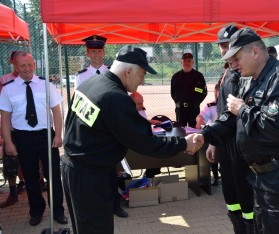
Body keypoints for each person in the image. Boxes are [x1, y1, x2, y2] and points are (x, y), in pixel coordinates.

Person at [62, 45, 200, 234]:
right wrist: (184, 143)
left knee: (83, 227)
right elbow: (146, 143)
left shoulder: (90, 84)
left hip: (74, 168)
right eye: (142, 75)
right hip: (91, 176)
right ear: (128, 71)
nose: (142, 81)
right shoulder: (115, 98)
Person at [195, 27, 279, 233]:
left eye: (237, 58)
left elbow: (276, 128)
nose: (232, 63)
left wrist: (242, 109)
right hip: (262, 176)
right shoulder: (250, 79)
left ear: (255, 52)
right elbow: (230, 120)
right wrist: (204, 136)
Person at [0, 51, 68, 226]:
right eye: (22, 65)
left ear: (34, 65)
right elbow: (5, 119)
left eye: (30, 64)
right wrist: (8, 142)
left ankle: (58, 211)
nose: (27, 68)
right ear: (15, 67)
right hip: (22, 137)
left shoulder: (47, 85)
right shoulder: (8, 88)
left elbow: (57, 112)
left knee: (52, 175)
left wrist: (58, 135)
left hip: (45, 134)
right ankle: (36, 211)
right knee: (30, 177)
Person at [203, 25, 254, 233]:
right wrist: (214, 142)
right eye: (222, 45)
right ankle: (238, 227)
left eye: (229, 45)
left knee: (244, 192)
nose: (225, 50)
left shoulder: (242, 74)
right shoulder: (227, 71)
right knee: (230, 192)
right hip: (224, 141)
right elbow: (222, 109)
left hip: (239, 143)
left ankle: (250, 227)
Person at [0, 50, 26, 209]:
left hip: (28, 126)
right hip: (11, 126)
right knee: (11, 160)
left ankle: (24, 183)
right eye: (17, 62)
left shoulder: (32, 78)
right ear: (12, 62)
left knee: (29, 159)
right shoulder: (4, 80)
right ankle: (12, 192)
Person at [130, 91, 162, 178]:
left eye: (142, 102)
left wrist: (151, 122)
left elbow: (143, 122)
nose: (142, 105)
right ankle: (150, 174)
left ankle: (150, 174)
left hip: (145, 141)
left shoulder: (141, 109)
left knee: (159, 149)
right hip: (135, 147)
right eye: (139, 103)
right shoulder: (127, 113)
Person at [171, 52, 207, 127]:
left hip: (193, 109)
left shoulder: (199, 76)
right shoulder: (176, 76)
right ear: (181, 62)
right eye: (185, 61)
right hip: (180, 109)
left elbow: (203, 92)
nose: (186, 63)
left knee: (194, 131)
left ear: (192, 62)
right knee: (180, 131)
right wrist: (178, 102)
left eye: (189, 61)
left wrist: (196, 102)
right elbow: (173, 92)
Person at [195, 84, 220, 186]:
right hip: (215, 137)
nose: (216, 96)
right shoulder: (211, 106)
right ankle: (215, 175)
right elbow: (201, 117)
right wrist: (199, 119)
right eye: (215, 94)